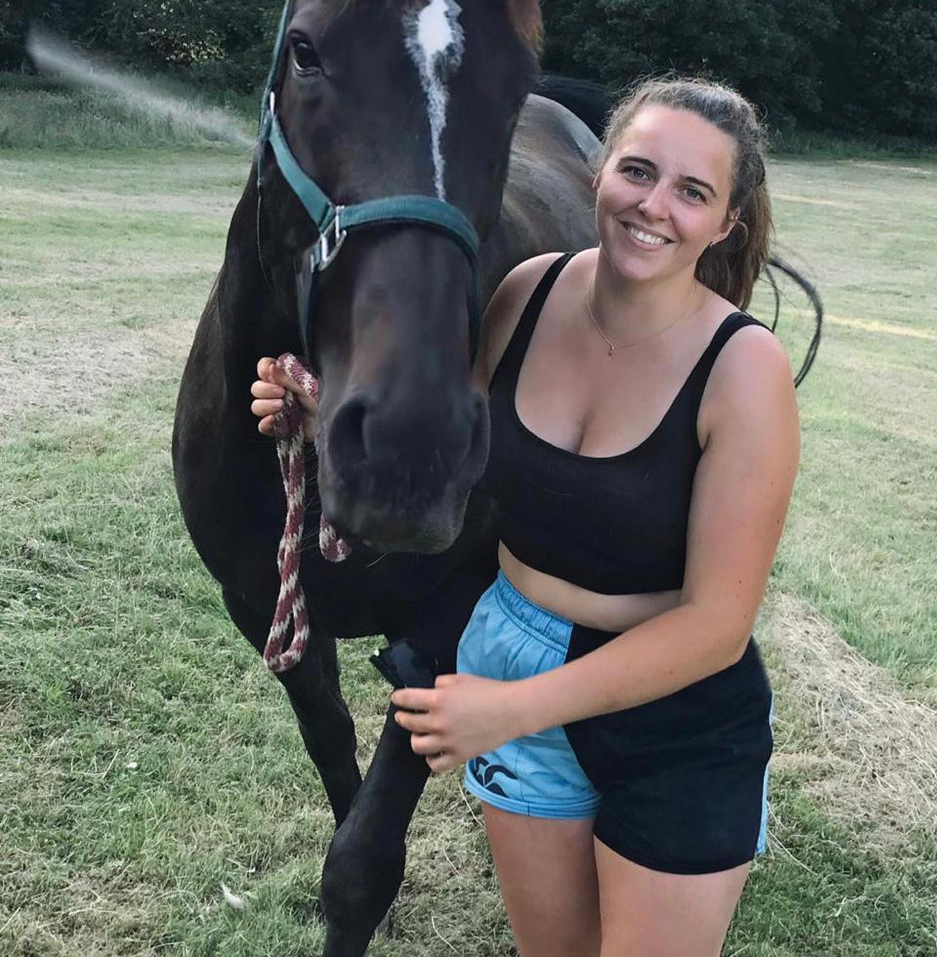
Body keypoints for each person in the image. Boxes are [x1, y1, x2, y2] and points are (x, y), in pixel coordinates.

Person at [251, 78, 799, 957]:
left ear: (725, 222)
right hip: (511, 646)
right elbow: (450, 465)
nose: (654, 206)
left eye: (692, 192)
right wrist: (325, 427)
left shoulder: (743, 369)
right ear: (597, 173)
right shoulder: (528, 294)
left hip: (675, 709)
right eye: (639, 171)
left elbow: (715, 628)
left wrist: (511, 710)